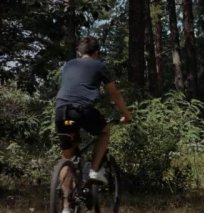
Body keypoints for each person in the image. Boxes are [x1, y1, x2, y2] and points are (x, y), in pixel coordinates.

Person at [55, 36, 131, 213]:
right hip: (82, 111)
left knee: (67, 157)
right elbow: (114, 93)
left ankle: (66, 207)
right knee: (104, 131)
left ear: (79, 52)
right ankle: (94, 170)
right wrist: (126, 114)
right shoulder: (99, 65)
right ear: (96, 52)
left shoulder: (68, 65)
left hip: (62, 112)